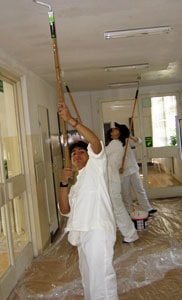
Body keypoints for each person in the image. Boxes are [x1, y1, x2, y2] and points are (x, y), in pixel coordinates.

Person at [58, 102, 118, 300]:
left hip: (98, 230)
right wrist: (63, 184)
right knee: (88, 277)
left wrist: (71, 121)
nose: (77, 155)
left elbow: (96, 143)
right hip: (83, 233)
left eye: (81, 152)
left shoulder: (96, 168)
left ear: (89, 156)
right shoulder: (76, 186)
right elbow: (65, 210)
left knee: (101, 278)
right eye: (74, 153)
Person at [115, 122, 157, 216]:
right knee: (126, 192)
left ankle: (147, 208)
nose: (116, 131)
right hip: (122, 171)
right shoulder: (115, 143)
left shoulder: (127, 140)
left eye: (117, 129)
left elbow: (139, 141)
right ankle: (129, 211)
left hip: (133, 168)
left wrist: (130, 136)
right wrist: (118, 168)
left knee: (139, 189)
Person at [105, 127, 139, 243]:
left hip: (112, 179)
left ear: (119, 133)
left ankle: (130, 233)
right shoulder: (118, 144)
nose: (113, 130)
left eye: (115, 129)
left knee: (118, 206)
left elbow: (101, 154)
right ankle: (120, 229)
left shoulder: (115, 143)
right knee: (115, 206)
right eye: (112, 130)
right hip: (112, 178)